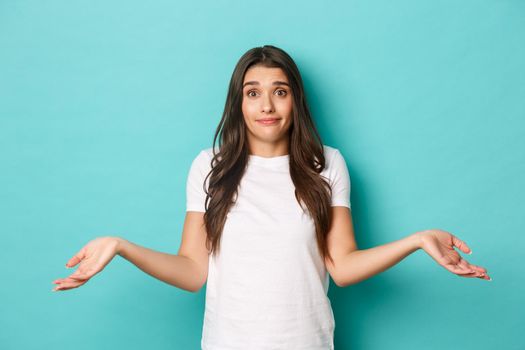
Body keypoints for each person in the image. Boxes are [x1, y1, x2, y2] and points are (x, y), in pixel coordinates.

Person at [51, 45, 491, 349]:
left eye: (279, 92)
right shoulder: (210, 166)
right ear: (238, 103)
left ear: (295, 100)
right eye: (253, 93)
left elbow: (342, 266)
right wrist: (121, 247)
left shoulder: (328, 165)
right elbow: (191, 271)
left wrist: (415, 241)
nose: (267, 106)